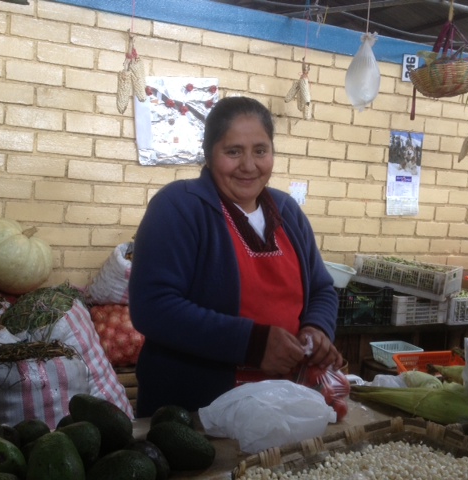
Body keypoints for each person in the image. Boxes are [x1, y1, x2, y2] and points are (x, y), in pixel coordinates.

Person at [129, 96, 342, 417]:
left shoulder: (288, 213)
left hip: (284, 404)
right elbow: (153, 307)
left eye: (260, 150)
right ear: (209, 154)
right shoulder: (178, 207)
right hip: (195, 411)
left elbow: (322, 288)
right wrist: (252, 344)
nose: (249, 165)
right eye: (233, 152)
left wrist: (317, 328)